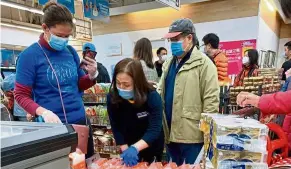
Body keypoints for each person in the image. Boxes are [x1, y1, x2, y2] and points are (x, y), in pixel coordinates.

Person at [14, 2, 97, 158]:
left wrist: (91, 76)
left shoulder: (70, 51)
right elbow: (20, 95)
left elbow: (79, 84)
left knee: (84, 163)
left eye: (67, 36)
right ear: (45, 28)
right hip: (52, 126)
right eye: (60, 35)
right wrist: (42, 112)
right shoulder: (29, 56)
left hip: (80, 122)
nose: (64, 40)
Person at [158, 18, 219, 165]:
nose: (173, 44)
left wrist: (207, 137)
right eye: (171, 40)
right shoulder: (168, 63)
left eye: (176, 39)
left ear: (189, 38)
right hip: (170, 133)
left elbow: (211, 103)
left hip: (192, 136)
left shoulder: (204, 64)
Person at [107, 58, 164, 166]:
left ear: (137, 82)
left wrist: (135, 148)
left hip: (150, 144)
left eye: (126, 84)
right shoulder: (112, 97)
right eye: (118, 83)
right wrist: (125, 149)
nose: (121, 88)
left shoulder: (152, 96)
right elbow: (116, 126)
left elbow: (155, 128)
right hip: (127, 143)